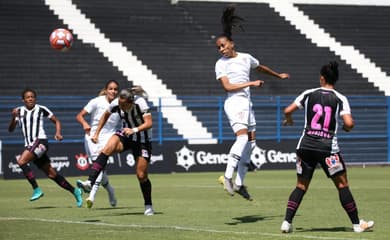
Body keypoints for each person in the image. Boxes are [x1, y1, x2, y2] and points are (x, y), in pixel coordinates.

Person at [280, 61, 374, 233]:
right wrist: (347, 127)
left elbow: (287, 110)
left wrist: (289, 120)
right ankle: (356, 224)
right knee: (342, 185)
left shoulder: (308, 93)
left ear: (322, 78)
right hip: (327, 149)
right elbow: (349, 123)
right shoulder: (340, 98)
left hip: (306, 146)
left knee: (301, 186)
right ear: (335, 79)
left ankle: (286, 222)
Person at [215, 5, 289, 200]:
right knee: (241, 139)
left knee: (252, 144)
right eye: (218, 47)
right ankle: (228, 177)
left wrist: (278, 75)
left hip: (247, 103)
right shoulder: (220, 64)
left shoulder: (246, 58)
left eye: (223, 45)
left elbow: (260, 67)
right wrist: (251, 83)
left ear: (231, 43)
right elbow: (227, 87)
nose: (221, 49)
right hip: (234, 102)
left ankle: (239, 184)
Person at [77, 87, 154, 215]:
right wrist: (96, 133)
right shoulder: (116, 103)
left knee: (141, 175)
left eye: (124, 105)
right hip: (125, 134)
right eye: (120, 104)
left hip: (142, 140)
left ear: (131, 102)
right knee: (107, 148)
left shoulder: (140, 103)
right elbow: (105, 115)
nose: (121, 107)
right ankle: (90, 182)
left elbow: (149, 123)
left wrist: (134, 130)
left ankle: (148, 205)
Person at [8, 88, 83, 207]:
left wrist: (58, 133)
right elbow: (10, 129)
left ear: (35, 99)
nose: (30, 99)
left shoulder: (41, 109)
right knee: (52, 174)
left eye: (32, 97)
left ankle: (36, 189)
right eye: (28, 97)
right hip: (30, 145)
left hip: (40, 141)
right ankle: (75, 191)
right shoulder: (18, 112)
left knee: (21, 161)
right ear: (23, 100)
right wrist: (13, 117)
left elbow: (57, 121)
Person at [76, 80, 119, 208]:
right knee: (99, 167)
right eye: (110, 89)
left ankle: (91, 196)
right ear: (106, 90)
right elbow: (79, 116)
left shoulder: (120, 104)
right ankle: (110, 190)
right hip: (91, 137)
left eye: (115, 89)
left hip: (108, 138)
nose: (113, 91)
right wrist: (84, 124)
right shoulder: (97, 101)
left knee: (98, 166)